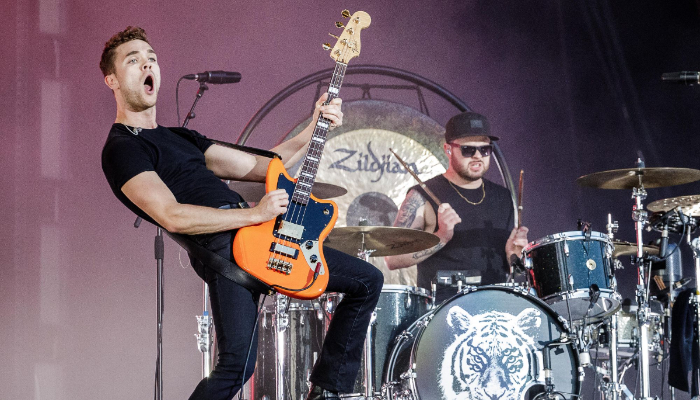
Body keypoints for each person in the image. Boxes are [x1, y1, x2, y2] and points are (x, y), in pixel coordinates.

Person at [99, 26, 382, 400]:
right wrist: (252, 215)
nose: (147, 64)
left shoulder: (181, 138)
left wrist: (316, 126)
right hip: (226, 249)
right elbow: (172, 215)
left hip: (260, 236)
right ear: (112, 81)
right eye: (133, 61)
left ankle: (326, 392)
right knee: (236, 367)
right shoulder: (122, 147)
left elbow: (264, 166)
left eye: (151, 57)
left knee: (366, 281)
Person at [384, 111, 529, 302]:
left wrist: (514, 256)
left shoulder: (503, 197)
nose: (478, 156)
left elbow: (514, 271)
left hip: (494, 310)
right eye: (468, 150)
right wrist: (441, 237)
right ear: (448, 149)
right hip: (443, 313)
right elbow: (392, 259)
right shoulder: (422, 195)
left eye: (485, 150)